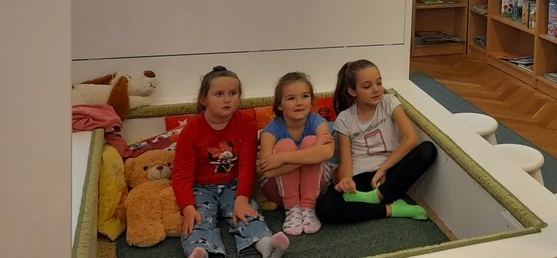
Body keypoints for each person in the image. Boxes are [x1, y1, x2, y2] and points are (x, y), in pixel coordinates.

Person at [171, 66, 289, 258]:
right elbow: (181, 174)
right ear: (203, 99)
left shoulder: (246, 123)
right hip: (200, 187)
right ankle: (201, 251)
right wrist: (188, 207)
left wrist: (242, 199)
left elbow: (247, 165)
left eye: (233, 93)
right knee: (198, 219)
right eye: (219, 94)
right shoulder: (192, 128)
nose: (227, 99)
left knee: (248, 212)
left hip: (233, 184)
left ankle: (264, 244)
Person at [315, 60, 437, 223]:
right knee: (325, 208)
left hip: (390, 171)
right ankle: (391, 209)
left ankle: (376, 197)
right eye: (367, 86)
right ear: (352, 90)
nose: (376, 89)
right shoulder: (344, 118)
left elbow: (411, 138)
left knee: (427, 150)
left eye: (379, 83)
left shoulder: (389, 102)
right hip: (362, 178)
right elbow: (346, 162)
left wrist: (383, 169)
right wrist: (346, 181)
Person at [257, 72, 335, 236]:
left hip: (314, 192)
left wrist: (281, 158)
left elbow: (328, 152)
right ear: (279, 105)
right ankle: (292, 209)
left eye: (305, 96)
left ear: (312, 101)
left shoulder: (318, 122)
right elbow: (267, 170)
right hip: (278, 193)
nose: (299, 103)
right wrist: (312, 155)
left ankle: (308, 207)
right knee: (285, 145)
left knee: (310, 141)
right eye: (291, 98)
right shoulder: (270, 131)